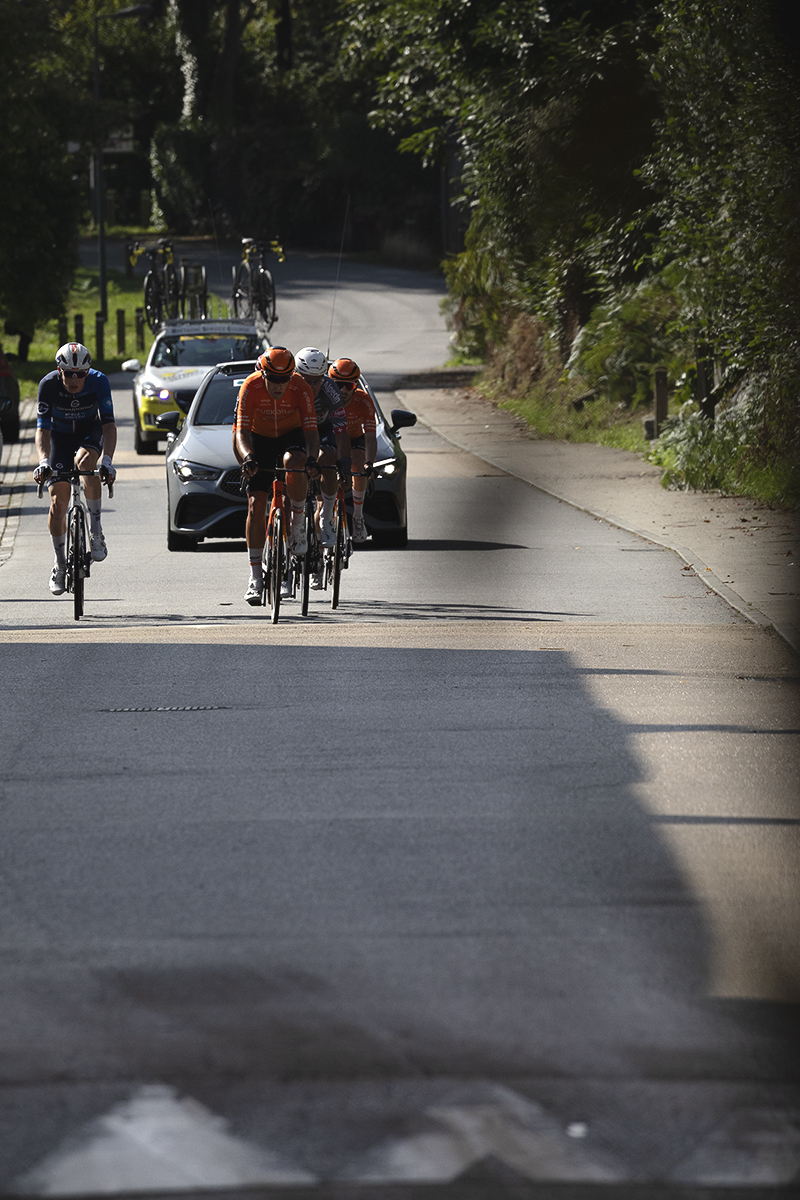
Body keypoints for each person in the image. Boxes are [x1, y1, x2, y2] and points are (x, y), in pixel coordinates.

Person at [234, 346, 320, 606]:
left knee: (295, 462)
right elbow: (241, 433)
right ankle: (255, 577)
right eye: (274, 378)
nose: (280, 385)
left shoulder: (300, 387)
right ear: (263, 373)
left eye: (285, 379)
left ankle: (296, 525)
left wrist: (313, 459)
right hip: (257, 440)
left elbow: (312, 432)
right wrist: (247, 458)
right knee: (255, 505)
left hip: (289, 436)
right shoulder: (250, 386)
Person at [34, 342, 117, 595]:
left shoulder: (99, 381)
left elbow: (109, 425)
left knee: (86, 464)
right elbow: (42, 429)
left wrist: (108, 461)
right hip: (59, 438)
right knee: (59, 502)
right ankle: (59, 564)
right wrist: (44, 461)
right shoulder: (47, 385)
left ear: (87, 372)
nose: (74, 379)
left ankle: (96, 531)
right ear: (59, 371)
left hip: (88, 433)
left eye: (80, 374)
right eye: (69, 373)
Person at [294, 347, 352, 549]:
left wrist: (344, 465)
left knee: (328, 458)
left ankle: (326, 517)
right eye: (307, 381)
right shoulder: (290, 387)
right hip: (297, 429)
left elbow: (342, 431)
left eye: (317, 381)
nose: (313, 386)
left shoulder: (330, 389)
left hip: (323, 428)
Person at [328, 358, 377, 543]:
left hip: (354, 439)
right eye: (338, 385)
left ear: (355, 385)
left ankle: (357, 516)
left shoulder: (363, 400)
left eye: (349, 386)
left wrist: (369, 463)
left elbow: (370, 436)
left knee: (358, 460)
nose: (343, 391)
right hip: (331, 439)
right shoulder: (324, 399)